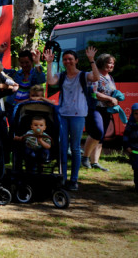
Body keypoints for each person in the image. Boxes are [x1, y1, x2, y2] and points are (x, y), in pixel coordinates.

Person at [44, 47, 100, 191]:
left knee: (75, 148)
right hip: (63, 115)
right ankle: (62, 178)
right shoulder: (61, 75)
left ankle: (74, 180)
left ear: (76, 61)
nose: (67, 61)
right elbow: (50, 81)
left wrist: (91, 60)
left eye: (70, 59)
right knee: (63, 148)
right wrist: (49, 63)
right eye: (65, 59)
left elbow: (96, 77)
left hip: (78, 116)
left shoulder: (83, 75)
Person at [83, 53, 120, 171]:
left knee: (102, 136)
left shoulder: (110, 77)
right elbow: (94, 93)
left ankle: (95, 162)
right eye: (109, 63)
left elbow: (111, 92)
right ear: (102, 63)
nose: (111, 65)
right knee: (97, 132)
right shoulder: (95, 75)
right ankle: (85, 158)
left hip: (106, 109)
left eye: (113, 63)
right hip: (95, 108)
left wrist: (114, 100)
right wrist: (109, 99)